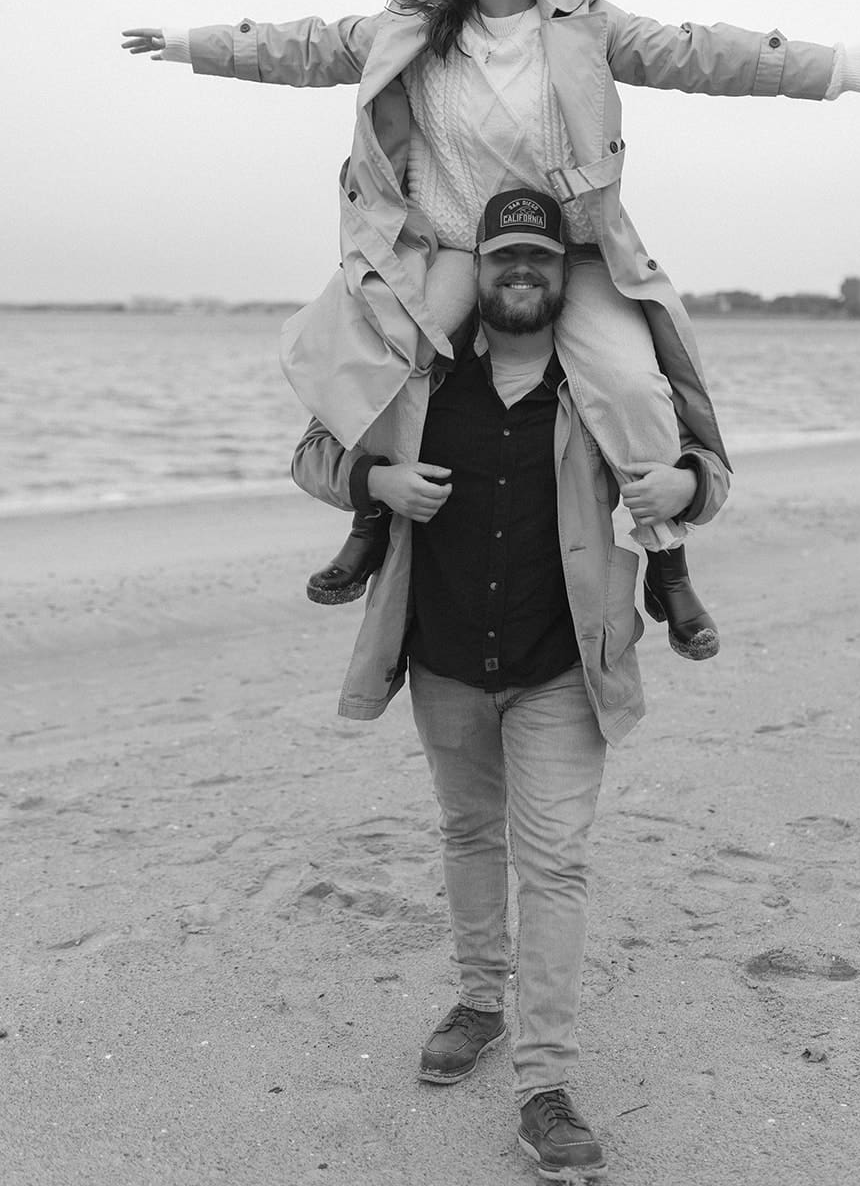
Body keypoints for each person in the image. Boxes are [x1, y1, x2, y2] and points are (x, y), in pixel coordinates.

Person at [122, 0, 860, 658]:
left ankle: (667, 558)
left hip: (565, 248)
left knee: (632, 385)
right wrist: (193, 42)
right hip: (450, 244)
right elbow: (306, 46)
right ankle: (372, 518)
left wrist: (840, 68)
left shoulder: (584, 24)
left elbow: (702, 54)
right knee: (377, 361)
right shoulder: (409, 25)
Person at [288, 186, 730, 1180]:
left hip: (561, 669)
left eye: (538, 256)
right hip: (442, 658)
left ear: (559, 275)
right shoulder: (421, 384)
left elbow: (709, 465)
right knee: (465, 832)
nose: (520, 270)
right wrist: (375, 485)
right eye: (503, 257)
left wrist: (688, 488)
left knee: (555, 862)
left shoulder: (599, 390)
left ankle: (545, 1082)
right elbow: (312, 452)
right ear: (476, 273)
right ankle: (480, 1000)